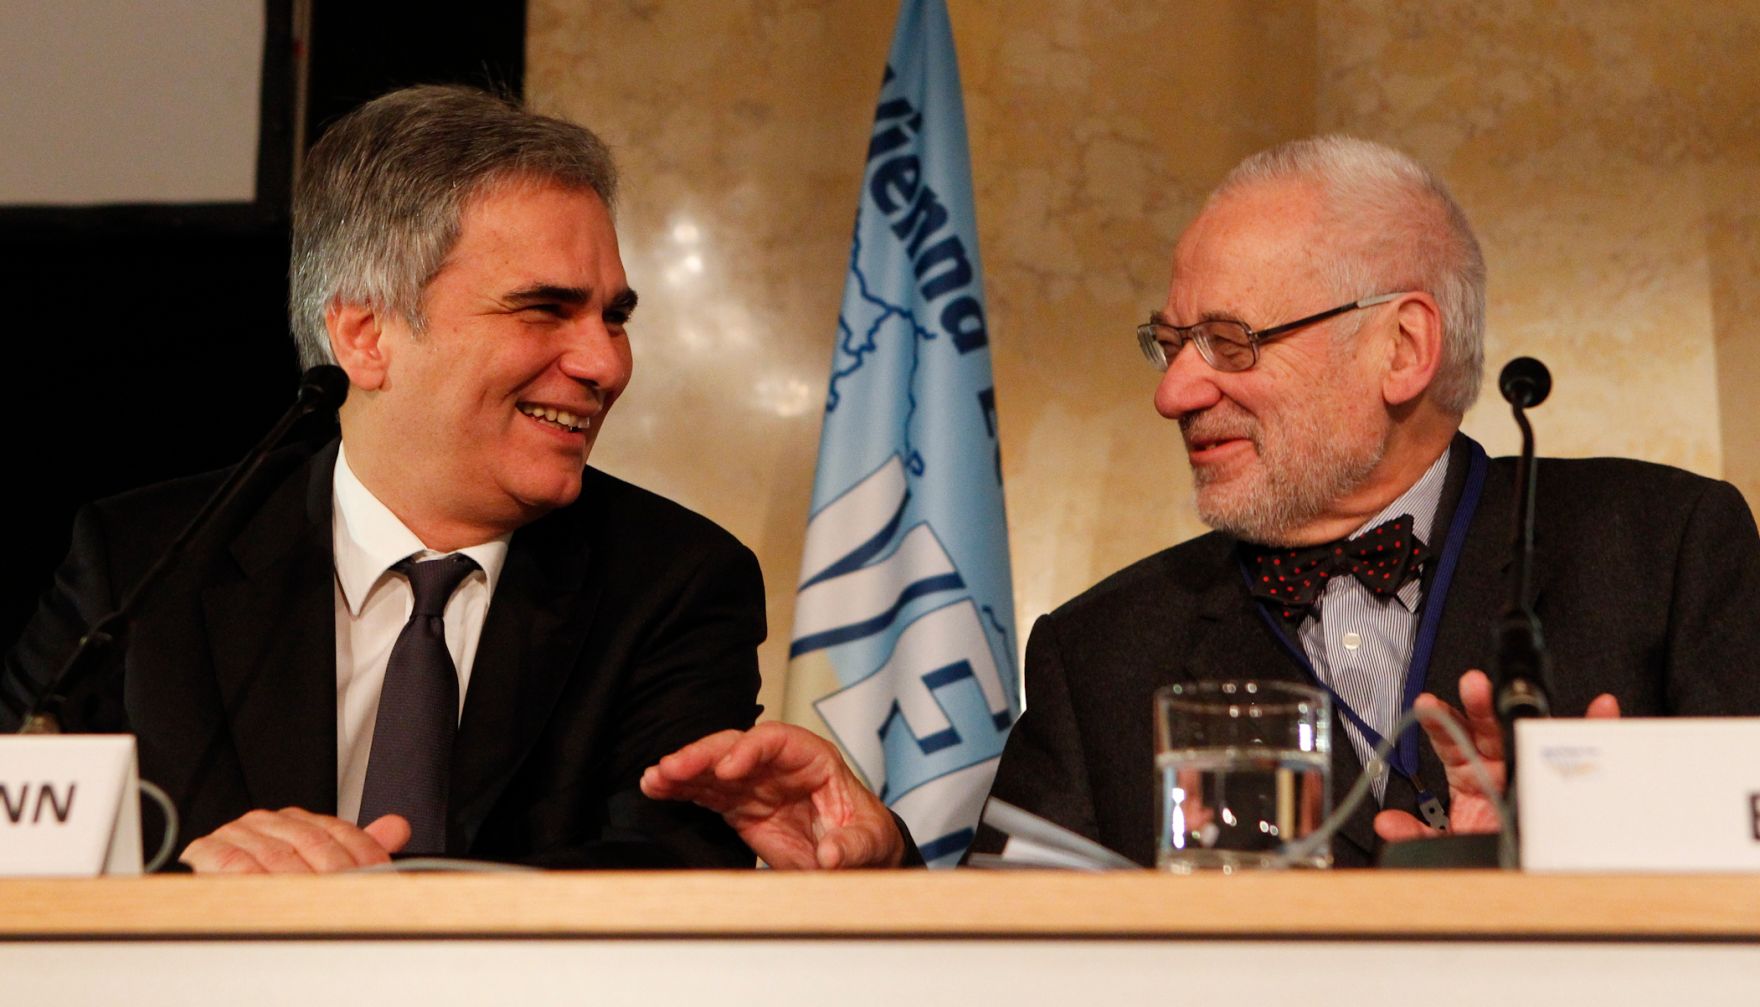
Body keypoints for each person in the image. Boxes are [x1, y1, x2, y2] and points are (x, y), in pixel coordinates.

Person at [641, 135, 1760, 869]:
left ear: (1401, 344)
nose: (1174, 390)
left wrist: (1572, 853)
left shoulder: (1663, 549)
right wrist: (882, 863)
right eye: (1169, 343)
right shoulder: (1098, 649)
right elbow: (1011, 967)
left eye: (1229, 341)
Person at [1, 85, 765, 872]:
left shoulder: (676, 583)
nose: (606, 363)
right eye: (544, 310)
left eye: (614, 317)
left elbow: (671, 878)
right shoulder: (142, 567)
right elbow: (17, 838)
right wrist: (185, 887)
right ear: (365, 336)